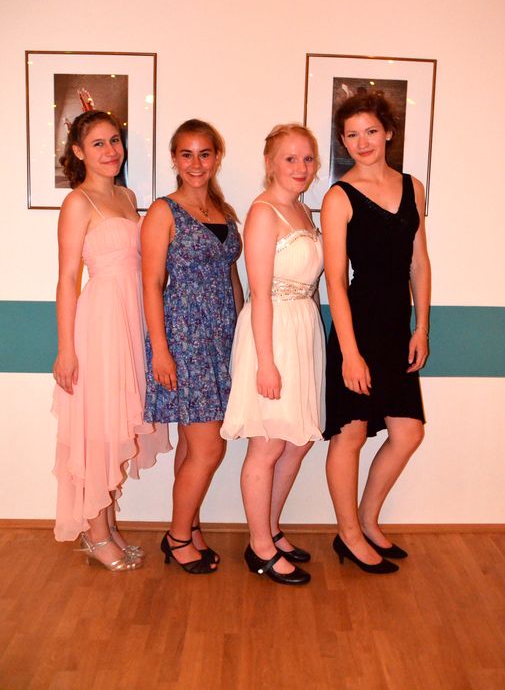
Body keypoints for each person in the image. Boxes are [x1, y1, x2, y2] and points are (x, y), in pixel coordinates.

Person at [52, 110, 170, 571]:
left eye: (114, 141)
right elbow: (67, 278)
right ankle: (95, 531)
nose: (110, 151)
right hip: (100, 323)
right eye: (98, 143)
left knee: (117, 418)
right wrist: (66, 349)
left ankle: (107, 522)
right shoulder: (77, 202)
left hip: (131, 318)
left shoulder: (128, 196)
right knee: (99, 425)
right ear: (78, 152)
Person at [321, 91, 431, 574]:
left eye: (370, 131)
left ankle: (367, 519)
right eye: (351, 135)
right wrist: (349, 353)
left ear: (388, 132)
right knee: (351, 434)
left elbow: (419, 263)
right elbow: (335, 281)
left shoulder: (412, 187)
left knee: (408, 432)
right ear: (343, 142)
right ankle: (347, 534)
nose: (362, 142)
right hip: (357, 326)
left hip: (396, 328)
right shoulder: (338, 197)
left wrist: (421, 327)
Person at [221, 124, 325, 586]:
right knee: (267, 443)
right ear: (270, 163)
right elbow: (259, 293)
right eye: (290, 158)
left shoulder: (301, 208)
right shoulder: (263, 212)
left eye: (308, 158)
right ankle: (260, 547)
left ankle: (271, 529)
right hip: (273, 331)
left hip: (301, 328)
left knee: (297, 440)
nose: (301, 167)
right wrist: (265, 362)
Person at [142, 119, 243, 575]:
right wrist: (161, 351)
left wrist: (243, 335)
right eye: (187, 154)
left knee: (191, 444)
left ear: (216, 157)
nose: (196, 163)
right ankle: (178, 538)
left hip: (221, 337)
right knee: (208, 448)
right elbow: (151, 283)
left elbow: (231, 276)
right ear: (174, 159)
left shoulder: (223, 210)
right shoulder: (163, 211)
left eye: (205, 153)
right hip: (184, 338)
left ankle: (190, 527)